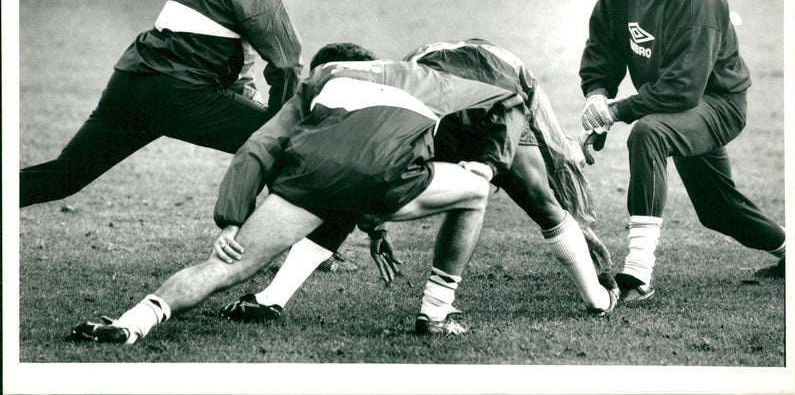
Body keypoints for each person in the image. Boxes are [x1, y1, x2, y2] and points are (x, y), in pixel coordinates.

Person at [71, 55, 528, 343]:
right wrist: (491, 163)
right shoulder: (426, 76)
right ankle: (435, 312)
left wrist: (231, 219)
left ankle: (131, 323)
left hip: (309, 177)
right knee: (474, 194)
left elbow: (258, 146)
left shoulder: (322, 79)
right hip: (386, 179)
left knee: (224, 267)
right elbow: (511, 97)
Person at [218, 40, 617, 324]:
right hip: (493, 102)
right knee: (543, 202)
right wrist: (497, 165)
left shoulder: (380, 86)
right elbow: (527, 118)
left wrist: (375, 222)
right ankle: (597, 299)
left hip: (480, 104)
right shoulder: (401, 71)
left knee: (340, 195)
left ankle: (272, 298)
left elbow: (366, 170)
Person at [20, 0, 310, 206]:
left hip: (130, 82)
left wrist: (254, 105)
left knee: (65, 175)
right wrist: (279, 123)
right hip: (179, 94)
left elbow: (229, 55)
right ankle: (301, 245)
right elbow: (287, 64)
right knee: (286, 148)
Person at [578, 0, 786, 303]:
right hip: (668, 98)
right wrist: (597, 93)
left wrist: (617, 112)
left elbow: (684, 89)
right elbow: (604, 37)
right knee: (718, 210)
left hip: (716, 102)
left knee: (648, 133)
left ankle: (637, 275)